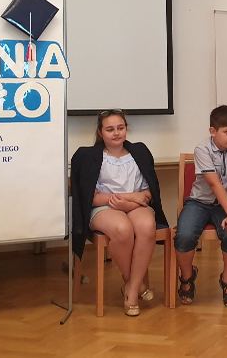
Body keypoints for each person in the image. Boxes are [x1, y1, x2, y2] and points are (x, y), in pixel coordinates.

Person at [70, 109, 168, 317]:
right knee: (122, 229)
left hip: (136, 205)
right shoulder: (87, 156)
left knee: (146, 226)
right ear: (100, 132)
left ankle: (131, 289)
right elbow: (90, 198)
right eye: (110, 129)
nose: (116, 133)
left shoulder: (139, 152)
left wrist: (131, 202)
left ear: (126, 129)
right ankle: (136, 284)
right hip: (104, 206)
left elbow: (149, 192)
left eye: (120, 128)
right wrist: (128, 199)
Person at [173, 105, 227, 307]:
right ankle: (187, 277)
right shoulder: (202, 149)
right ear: (212, 131)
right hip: (199, 202)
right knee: (184, 236)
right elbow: (214, 184)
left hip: (224, 204)